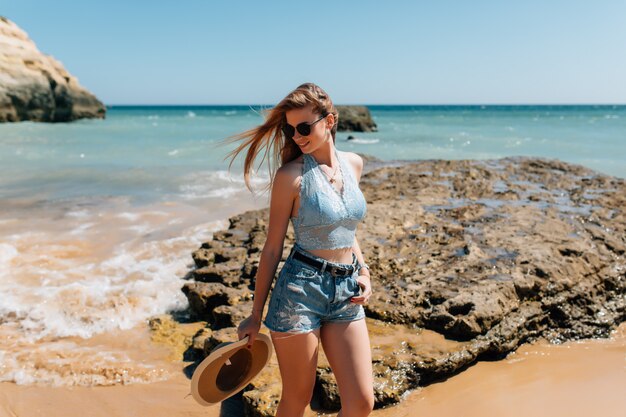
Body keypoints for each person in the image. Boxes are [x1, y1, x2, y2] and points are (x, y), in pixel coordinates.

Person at [226, 82, 374, 417]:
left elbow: (346, 228)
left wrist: (363, 271)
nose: (297, 136)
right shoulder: (290, 177)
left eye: (304, 127)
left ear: (330, 122)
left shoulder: (354, 164)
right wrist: (255, 314)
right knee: (297, 399)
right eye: (290, 130)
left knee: (362, 403)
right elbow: (272, 247)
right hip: (299, 294)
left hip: (346, 291)